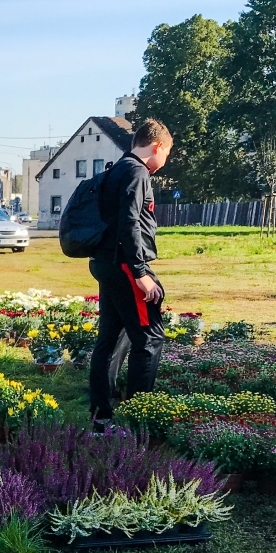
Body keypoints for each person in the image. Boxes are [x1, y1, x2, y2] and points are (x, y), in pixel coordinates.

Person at [87, 117, 173, 430]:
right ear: (158, 146)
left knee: (110, 340)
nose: (164, 162)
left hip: (107, 263)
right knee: (149, 338)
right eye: (166, 155)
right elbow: (129, 223)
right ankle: (139, 420)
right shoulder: (137, 172)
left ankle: (102, 419)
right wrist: (140, 272)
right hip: (125, 265)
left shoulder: (116, 169)